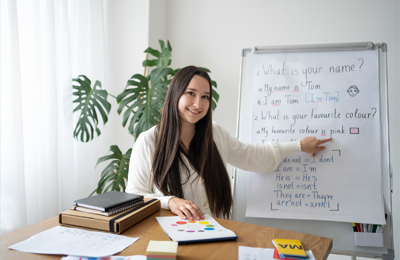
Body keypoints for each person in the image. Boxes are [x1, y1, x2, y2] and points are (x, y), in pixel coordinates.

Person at [126, 66, 332, 221]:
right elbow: (134, 196)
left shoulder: (215, 134)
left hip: (217, 234)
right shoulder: (148, 141)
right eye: (191, 93)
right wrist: (169, 201)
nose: (198, 104)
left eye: (205, 97)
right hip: (170, 240)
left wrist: (298, 146)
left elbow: (254, 157)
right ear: (175, 95)